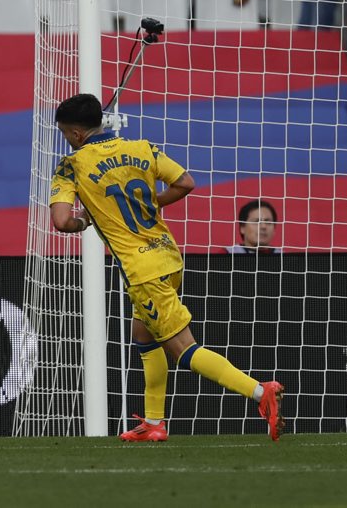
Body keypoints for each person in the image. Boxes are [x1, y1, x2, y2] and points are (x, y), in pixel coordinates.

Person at [49, 93, 284, 443]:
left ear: (78, 134)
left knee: (183, 350)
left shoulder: (72, 165)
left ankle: (258, 391)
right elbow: (185, 183)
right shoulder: (142, 148)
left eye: (67, 134)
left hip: (143, 271)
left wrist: (85, 222)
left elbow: (61, 221)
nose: (67, 140)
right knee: (143, 337)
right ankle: (154, 423)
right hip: (168, 256)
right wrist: (149, 203)